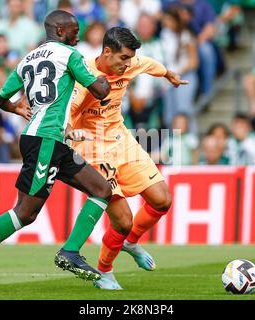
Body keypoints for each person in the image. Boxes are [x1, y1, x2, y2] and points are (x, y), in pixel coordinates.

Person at [0, 10, 112, 294]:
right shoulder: (69, 55)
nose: (78, 35)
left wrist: (16, 108)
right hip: (45, 141)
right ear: (60, 31)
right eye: (74, 30)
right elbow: (99, 91)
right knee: (25, 212)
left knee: (102, 189)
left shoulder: (27, 59)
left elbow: (0, 98)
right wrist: (108, 69)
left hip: (51, 141)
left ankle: (70, 251)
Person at [66, 26, 188, 290]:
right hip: (91, 147)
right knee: (122, 219)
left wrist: (169, 75)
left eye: (130, 59)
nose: (128, 64)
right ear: (107, 52)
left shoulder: (128, 63)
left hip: (121, 139)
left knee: (162, 199)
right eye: (123, 59)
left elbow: (149, 64)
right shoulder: (84, 76)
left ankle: (130, 242)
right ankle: (104, 272)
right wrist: (67, 132)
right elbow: (69, 109)